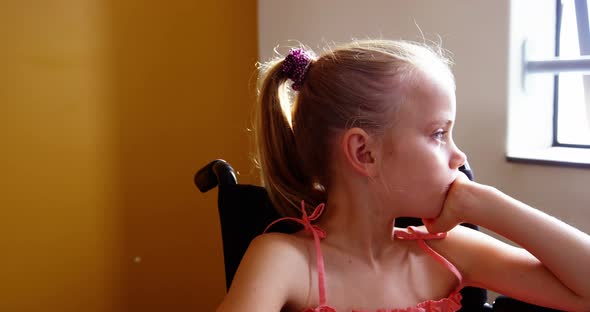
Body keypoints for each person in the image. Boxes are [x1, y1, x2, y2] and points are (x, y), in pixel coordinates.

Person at [216, 40, 590, 312]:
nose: (459, 155)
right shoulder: (284, 263)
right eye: (439, 134)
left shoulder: (446, 251)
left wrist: (485, 203)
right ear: (364, 152)